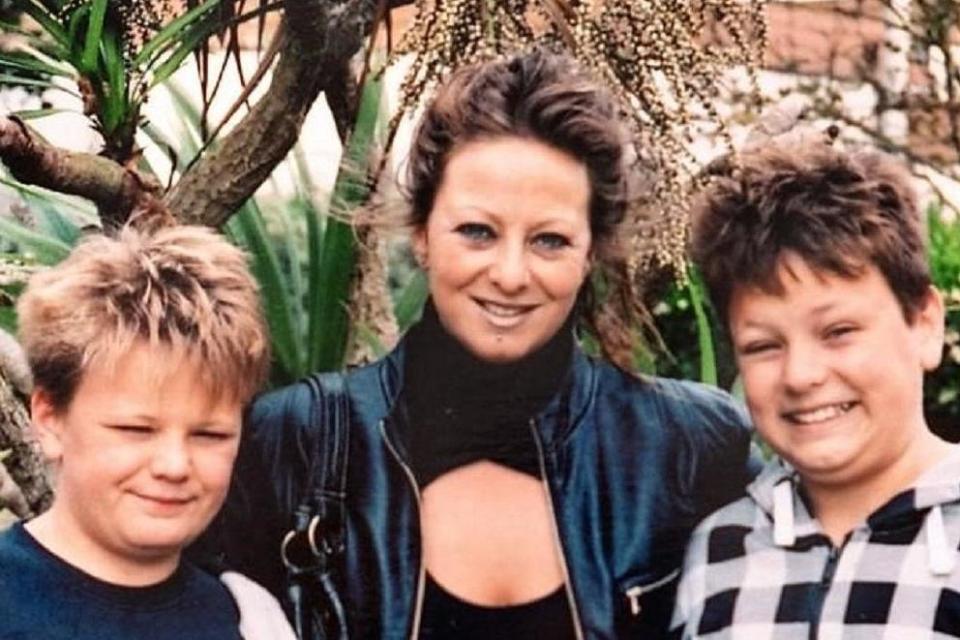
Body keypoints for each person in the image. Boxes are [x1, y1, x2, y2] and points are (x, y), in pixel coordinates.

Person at [205, 48, 755, 639]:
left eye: (549, 241)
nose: (511, 274)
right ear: (421, 234)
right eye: (477, 232)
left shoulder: (689, 449)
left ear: (591, 251)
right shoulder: (298, 444)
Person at [671, 142, 960, 637]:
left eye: (839, 332)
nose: (801, 375)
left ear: (924, 324)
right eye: (764, 345)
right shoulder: (718, 551)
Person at [0, 226, 294, 639]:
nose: (174, 465)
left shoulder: (250, 618)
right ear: (50, 418)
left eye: (209, 435)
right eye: (136, 429)